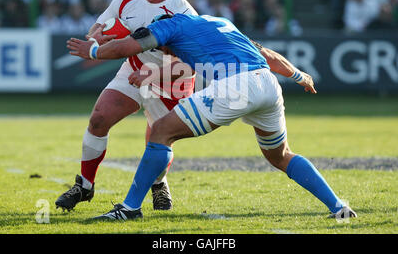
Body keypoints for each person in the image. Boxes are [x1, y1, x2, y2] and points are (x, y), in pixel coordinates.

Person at [67, 13, 357, 221]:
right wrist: (297, 74)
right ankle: (338, 206)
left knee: (160, 131)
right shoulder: (221, 23)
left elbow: (129, 46)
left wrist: (93, 50)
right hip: (268, 84)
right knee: (280, 155)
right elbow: (266, 54)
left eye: (161, 47)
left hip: (236, 87)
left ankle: (129, 208)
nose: (164, 52)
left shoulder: (169, 25)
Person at [55, 0, 197, 212]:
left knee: (158, 138)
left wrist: (152, 74)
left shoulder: (183, 13)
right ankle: (85, 185)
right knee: (99, 118)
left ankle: (159, 183)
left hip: (170, 79)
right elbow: (98, 29)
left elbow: (189, 66)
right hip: (134, 68)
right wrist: (97, 37)